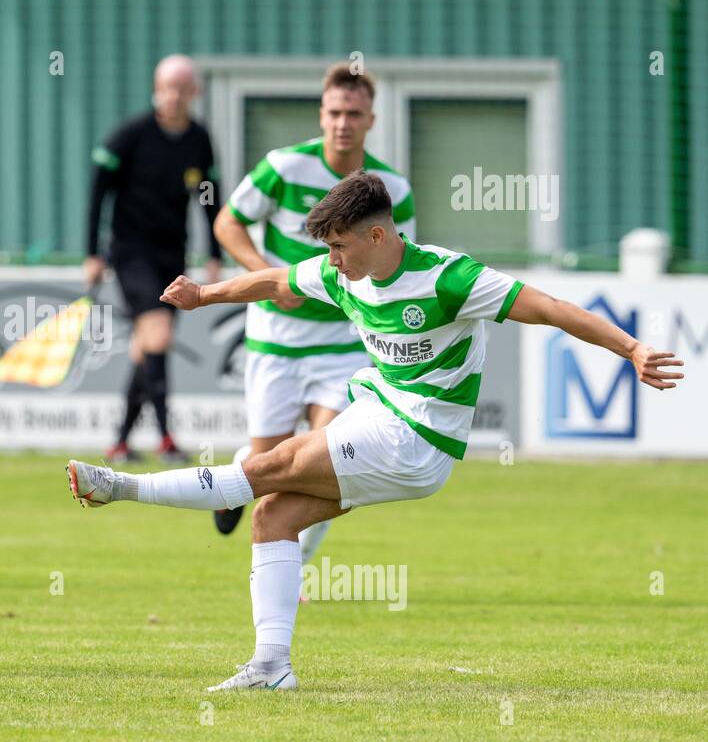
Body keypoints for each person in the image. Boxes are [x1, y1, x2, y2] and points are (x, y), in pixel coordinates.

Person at [67, 170, 682, 692]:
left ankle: (117, 487)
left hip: (417, 439)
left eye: (339, 246)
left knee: (265, 469)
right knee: (272, 517)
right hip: (380, 413)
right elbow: (279, 281)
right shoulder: (344, 274)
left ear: (378, 234)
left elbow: (549, 309)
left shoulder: (449, 279)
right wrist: (206, 294)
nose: (332, 261)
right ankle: (270, 666)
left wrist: (630, 349)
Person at [211, 63, 415, 563]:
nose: (343, 122)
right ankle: (243, 461)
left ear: (371, 120)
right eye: (334, 112)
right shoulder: (283, 167)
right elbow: (227, 223)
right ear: (321, 115)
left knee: (328, 460)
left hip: (344, 347)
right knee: (268, 466)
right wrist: (268, 279)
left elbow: (400, 258)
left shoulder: (392, 188)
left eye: (354, 113)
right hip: (275, 343)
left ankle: (292, 564)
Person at [85, 54, 223, 464]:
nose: (174, 96)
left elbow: (210, 195)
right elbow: (98, 189)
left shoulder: (199, 138)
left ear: (194, 92)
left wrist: (215, 252)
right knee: (159, 336)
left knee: (146, 348)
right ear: (156, 89)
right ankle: (166, 438)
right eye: (167, 88)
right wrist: (91, 251)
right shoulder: (132, 135)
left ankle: (120, 442)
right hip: (130, 252)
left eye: (182, 89)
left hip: (171, 253)